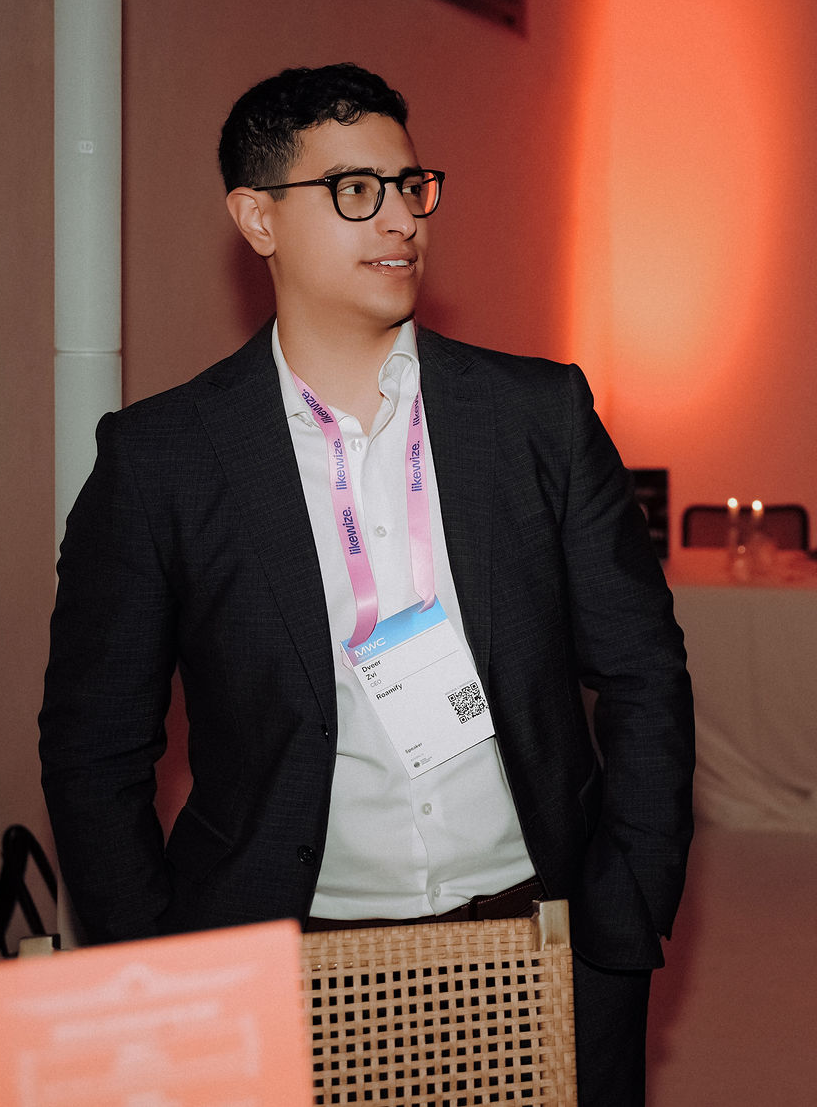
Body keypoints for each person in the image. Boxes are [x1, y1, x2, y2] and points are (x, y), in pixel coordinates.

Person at [40, 64, 693, 1107]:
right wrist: (156, 969)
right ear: (257, 218)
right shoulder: (162, 458)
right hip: (278, 953)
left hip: (536, 930)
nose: (400, 219)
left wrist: (627, 907)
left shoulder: (538, 416)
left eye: (410, 186)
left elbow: (643, 670)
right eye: (354, 190)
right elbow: (95, 745)